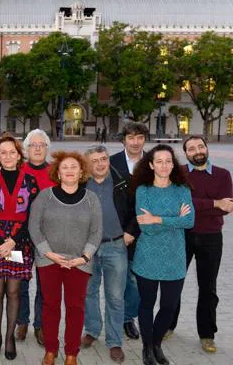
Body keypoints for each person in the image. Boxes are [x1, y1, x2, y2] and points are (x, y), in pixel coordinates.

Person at [29, 151, 102, 365]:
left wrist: (85, 256)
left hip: (79, 263)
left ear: (81, 172)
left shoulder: (92, 199)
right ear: (58, 173)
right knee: (50, 306)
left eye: (74, 167)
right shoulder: (44, 196)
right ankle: (51, 350)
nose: (69, 170)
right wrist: (49, 254)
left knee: (75, 308)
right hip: (49, 261)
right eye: (65, 167)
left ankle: (72, 353)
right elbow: (34, 227)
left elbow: (96, 231)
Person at [168, 136, 233, 353]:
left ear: (206, 148)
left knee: (208, 287)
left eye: (200, 146)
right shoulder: (179, 174)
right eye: (192, 148)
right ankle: (168, 325)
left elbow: (227, 208)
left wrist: (195, 205)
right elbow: (178, 204)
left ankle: (207, 334)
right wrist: (214, 203)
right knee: (174, 282)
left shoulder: (223, 175)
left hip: (211, 237)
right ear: (185, 153)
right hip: (182, 234)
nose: (197, 151)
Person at [132, 144, 194, 365]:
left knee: (169, 305)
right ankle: (147, 346)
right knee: (147, 304)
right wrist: (174, 218)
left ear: (173, 164)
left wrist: (158, 218)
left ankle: (157, 342)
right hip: (147, 257)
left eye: (168, 161)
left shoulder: (182, 190)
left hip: (175, 257)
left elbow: (189, 221)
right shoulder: (143, 190)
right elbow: (144, 227)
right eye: (159, 161)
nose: (164, 165)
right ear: (150, 165)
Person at [0, 134, 39, 361]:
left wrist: (13, 241)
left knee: (13, 292)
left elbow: (31, 218)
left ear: (19, 155)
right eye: (2, 152)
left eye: (12, 152)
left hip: (19, 243)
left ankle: (10, 336)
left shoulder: (30, 182)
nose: (7, 156)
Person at [82, 145, 139, 364]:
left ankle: (114, 341)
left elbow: (137, 208)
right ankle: (92, 330)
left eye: (103, 158)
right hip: (88, 248)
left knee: (116, 297)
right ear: (88, 163)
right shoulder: (80, 183)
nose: (100, 163)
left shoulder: (123, 180)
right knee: (89, 292)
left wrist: (130, 232)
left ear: (108, 160)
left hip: (116, 246)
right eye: (95, 160)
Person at [110, 120, 148, 340]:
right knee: (117, 277)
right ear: (123, 139)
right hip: (115, 230)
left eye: (140, 137)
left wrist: (133, 230)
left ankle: (127, 318)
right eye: (131, 137)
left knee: (134, 278)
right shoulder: (112, 162)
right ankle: (116, 317)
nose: (135, 142)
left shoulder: (153, 162)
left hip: (144, 229)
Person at [16, 129, 55, 345]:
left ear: (47, 148)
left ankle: (40, 325)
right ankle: (22, 321)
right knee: (19, 282)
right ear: (26, 149)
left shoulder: (55, 173)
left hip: (46, 239)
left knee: (45, 285)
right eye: (33, 145)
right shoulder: (18, 171)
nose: (38, 148)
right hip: (19, 239)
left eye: (42, 144)